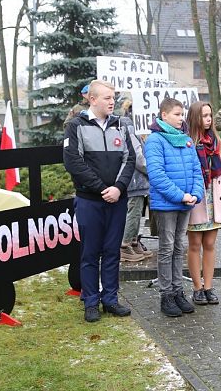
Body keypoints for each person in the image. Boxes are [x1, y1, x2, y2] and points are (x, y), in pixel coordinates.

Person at [63, 79, 136, 323]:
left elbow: (130, 159)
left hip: (117, 200)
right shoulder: (75, 126)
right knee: (90, 253)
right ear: (92, 99)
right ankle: (91, 301)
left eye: (113, 97)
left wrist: (118, 188)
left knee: (112, 251)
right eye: (107, 97)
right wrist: (103, 189)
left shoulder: (121, 125)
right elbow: (74, 162)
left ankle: (110, 300)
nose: (112, 101)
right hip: (89, 201)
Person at [145, 98, 204, 317]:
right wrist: (181, 196)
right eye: (177, 114)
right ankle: (166, 294)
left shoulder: (186, 140)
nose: (182, 118)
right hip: (167, 204)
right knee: (167, 247)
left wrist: (196, 194)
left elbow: (197, 170)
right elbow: (157, 176)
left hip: (185, 203)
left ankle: (178, 291)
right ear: (164, 115)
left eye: (182, 114)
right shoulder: (155, 140)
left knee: (180, 247)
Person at [186, 101, 221, 305]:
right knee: (195, 244)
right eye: (204, 115)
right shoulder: (187, 142)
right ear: (195, 117)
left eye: (210, 115)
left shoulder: (216, 141)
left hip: (215, 196)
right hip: (197, 197)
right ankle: (197, 288)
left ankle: (209, 286)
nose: (208, 119)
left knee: (210, 244)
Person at [119, 107, 153, 263]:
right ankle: (124, 245)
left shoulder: (133, 127)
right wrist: (152, 170)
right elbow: (138, 156)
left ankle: (133, 241)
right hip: (134, 178)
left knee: (138, 212)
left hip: (138, 179)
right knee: (134, 211)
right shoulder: (129, 127)